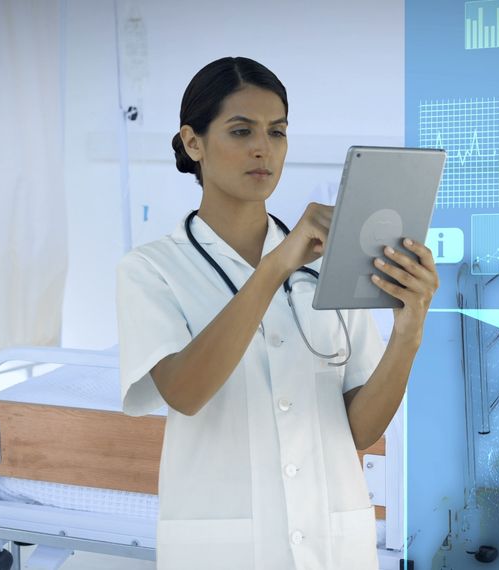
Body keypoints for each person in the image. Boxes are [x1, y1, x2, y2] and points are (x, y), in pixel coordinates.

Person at [115, 57, 439, 569]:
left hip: (335, 548)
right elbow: (185, 393)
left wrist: (409, 330)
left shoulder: (332, 266)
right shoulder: (151, 269)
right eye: (241, 131)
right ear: (193, 141)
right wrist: (273, 267)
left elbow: (359, 430)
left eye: (277, 132)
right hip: (228, 551)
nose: (263, 148)